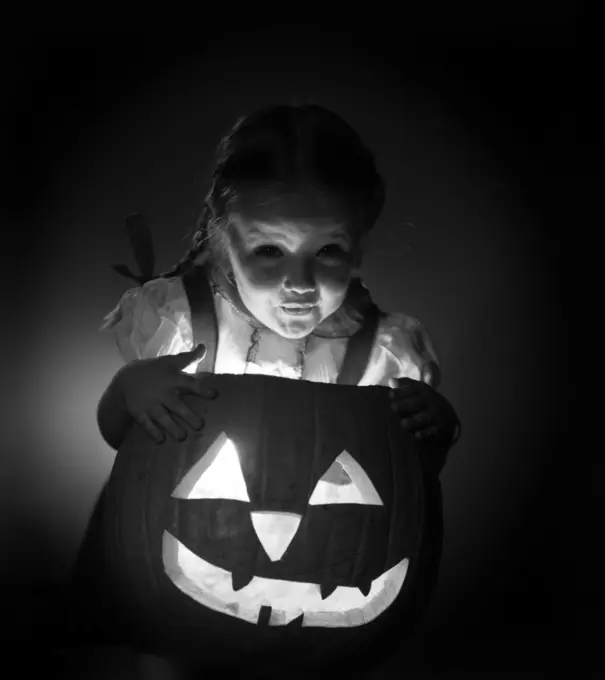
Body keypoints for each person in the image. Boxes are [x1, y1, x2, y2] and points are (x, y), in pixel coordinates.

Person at [94, 103, 461, 679]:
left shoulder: (382, 349)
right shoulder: (181, 321)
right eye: (269, 251)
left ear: (358, 244)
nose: (300, 283)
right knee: (162, 654)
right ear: (223, 231)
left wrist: (435, 426)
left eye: (328, 252)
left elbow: (406, 475)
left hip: (331, 587)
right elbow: (129, 442)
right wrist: (128, 392)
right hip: (179, 579)